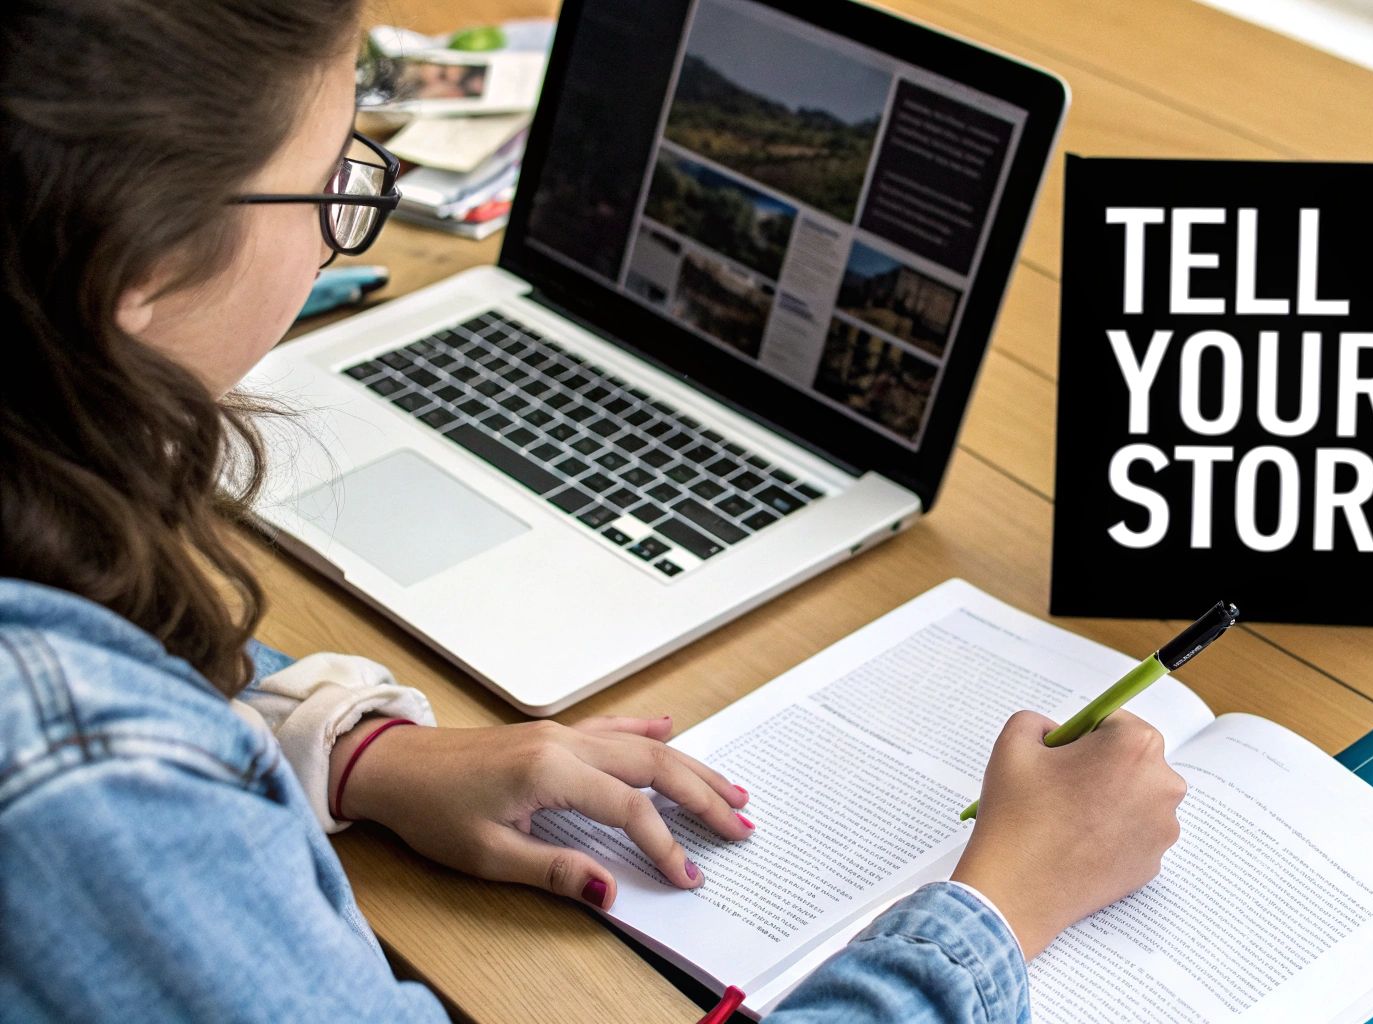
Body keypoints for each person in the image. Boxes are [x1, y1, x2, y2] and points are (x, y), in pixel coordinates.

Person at [0, 2, 1188, 1021]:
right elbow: (96, 752)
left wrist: (353, 746)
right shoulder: (91, 788)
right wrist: (1001, 903)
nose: (335, 232)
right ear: (143, 273)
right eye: (334, 191)